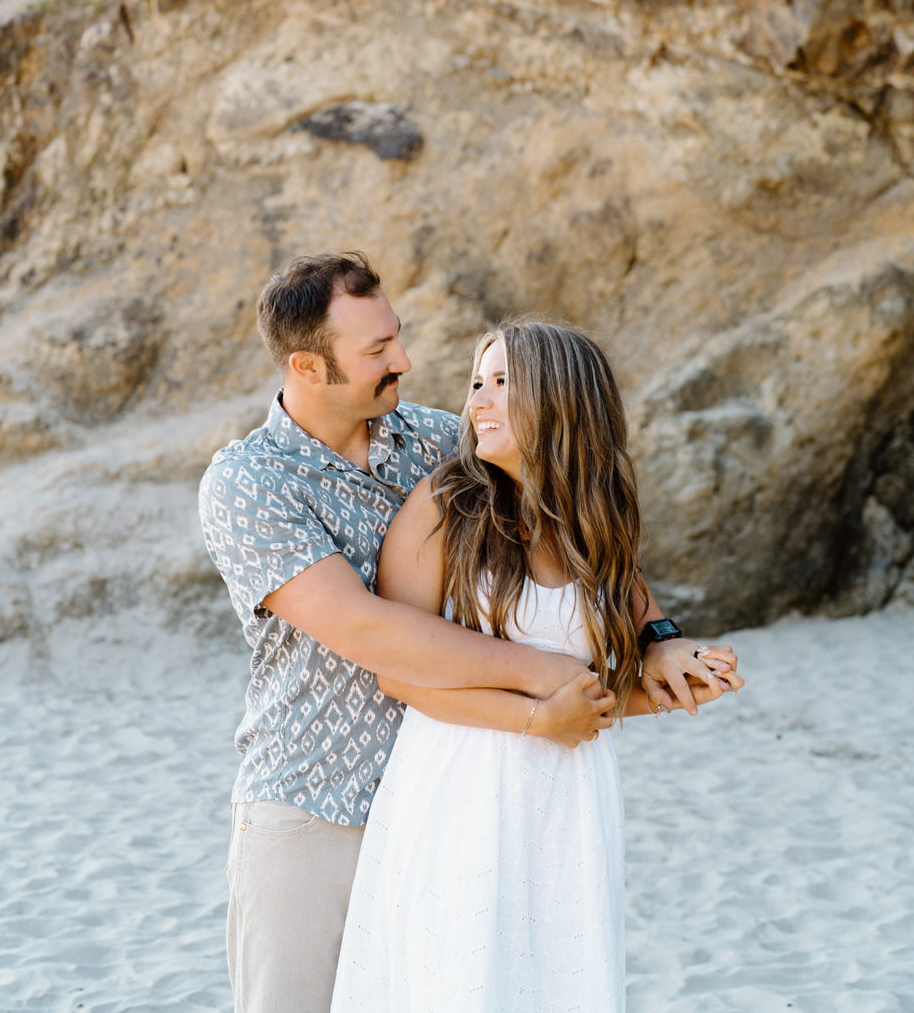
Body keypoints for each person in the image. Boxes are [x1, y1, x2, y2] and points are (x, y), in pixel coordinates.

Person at [199, 253, 739, 1013]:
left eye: (398, 337)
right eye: (378, 351)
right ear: (308, 366)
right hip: (314, 798)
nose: (406, 362)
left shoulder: (436, 441)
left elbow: (570, 518)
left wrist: (659, 637)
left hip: (454, 793)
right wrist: (540, 678)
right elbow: (365, 627)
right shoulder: (250, 481)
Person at [330, 319, 743, 1013]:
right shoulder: (444, 508)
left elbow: (595, 681)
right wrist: (534, 717)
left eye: (502, 385)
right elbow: (400, 677)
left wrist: (671, 672)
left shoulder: (594, 523)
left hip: (571, 796)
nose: (479, 402)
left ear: (562, 400)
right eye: (476, 384)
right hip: (461, 791)